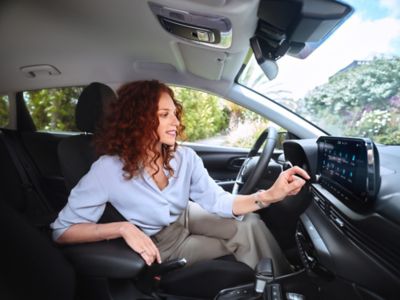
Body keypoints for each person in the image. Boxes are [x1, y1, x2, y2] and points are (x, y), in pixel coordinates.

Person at [51, 80, 309, 275]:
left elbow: (218, 201)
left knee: (250, 223)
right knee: (240, 240)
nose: (175, 121)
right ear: (137, 120)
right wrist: (122, 228)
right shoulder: (106, 170)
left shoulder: (184, 157)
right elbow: (62, 232)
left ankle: (284, 283)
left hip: (185, 214)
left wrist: (269, 196)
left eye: (174, 112)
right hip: (162, 242)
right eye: (164, 115)